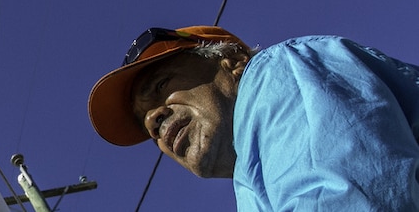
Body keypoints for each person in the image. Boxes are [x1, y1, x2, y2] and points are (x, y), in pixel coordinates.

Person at [88, 25, 419, 210]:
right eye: (149, 126)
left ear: (231, 60)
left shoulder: (274, 76)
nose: (155, 122)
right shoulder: (252, 174)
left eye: (161, 86)